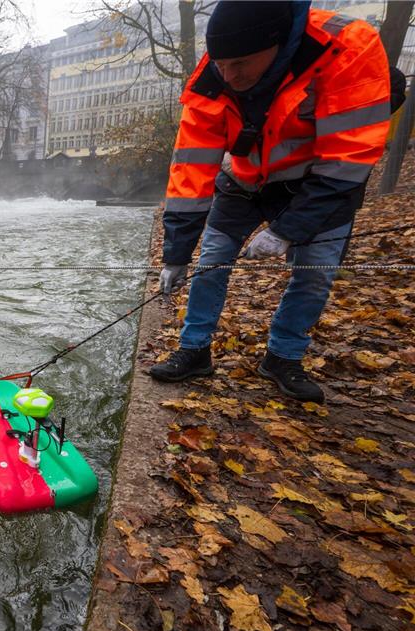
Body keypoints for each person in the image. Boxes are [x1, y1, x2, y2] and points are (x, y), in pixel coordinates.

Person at [149, 0, 392, 403]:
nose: (229, 76)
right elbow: (190, 172)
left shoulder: (348, 47)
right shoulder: (211, 76)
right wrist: (175, 255)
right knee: (212, 260)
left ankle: (284, 357)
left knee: (314, 274)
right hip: (242, 180)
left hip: (321, 186)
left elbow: (348, 162)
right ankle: (194, 350)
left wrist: (286, 232)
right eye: (222, 65)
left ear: (278, 43)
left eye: (240, 64)